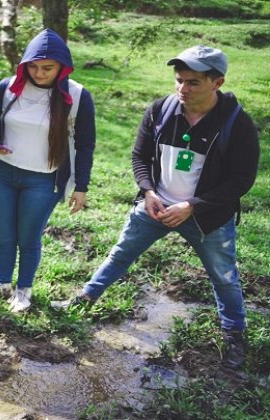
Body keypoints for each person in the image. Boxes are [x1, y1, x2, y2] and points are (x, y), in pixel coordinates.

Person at [54, 45, 260, 368]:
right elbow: (139, 156)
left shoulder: (238, 124)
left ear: (216, 83)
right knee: (120, 253)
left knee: (224, 276)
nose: (182, 89)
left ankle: (234, 335)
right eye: (179, 80)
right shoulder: (161, 109)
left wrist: (192, 205)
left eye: (192, 83)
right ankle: (85, 298)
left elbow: (241, 180)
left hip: (206, 217)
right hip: (155, 206)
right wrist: (148, 191)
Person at [0, 28, 96, 313]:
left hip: (43, 181)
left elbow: (85, 144)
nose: (39, 73)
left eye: (47, 68)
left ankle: (24, 291)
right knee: (3, 235)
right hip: (3, 174)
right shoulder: (9, 87)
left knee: (28, 238)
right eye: (32, 66)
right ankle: (2, 284)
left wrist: (81, 187)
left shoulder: (78, 96)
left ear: (62, 67)